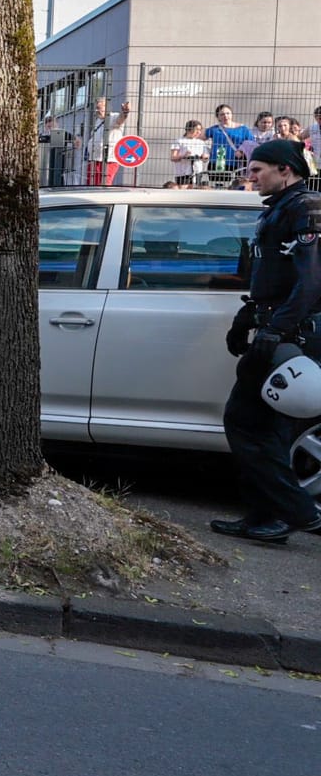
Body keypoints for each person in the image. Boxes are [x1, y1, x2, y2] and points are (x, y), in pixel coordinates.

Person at [214, 138, 321, 544]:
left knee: (245, 421)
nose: (250, 175)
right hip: (279, 330)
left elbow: (312, 282)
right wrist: (248, 316)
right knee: (265, 428)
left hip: (295, 336)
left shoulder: (306, 209)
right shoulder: (279, 209)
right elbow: (273, 277)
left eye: (258, 169)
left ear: (286, 171)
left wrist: (277, 328)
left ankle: (297, 512)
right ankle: (266, 517)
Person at [84, 98, 131, 185]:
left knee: (104, 184)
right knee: (91, 185)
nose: (97, 111)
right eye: (97, 108)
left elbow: (121, 119)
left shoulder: (113, 117)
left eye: (100, 108)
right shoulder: (98, 120)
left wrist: (125, 112)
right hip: (94, 159)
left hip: (108, 160)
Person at [206, 104, 251, 177]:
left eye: (228, 113)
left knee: (235, 186)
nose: (225, 116)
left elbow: (251, 143)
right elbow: (199, 137)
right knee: (217, 186)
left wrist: (242, 151)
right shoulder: (215, 129)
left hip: (237, 163)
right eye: (222, 114)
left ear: (231, 114)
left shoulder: (243, 129)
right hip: (218, 162)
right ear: (218, 117)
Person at [171, 120, 209, 188]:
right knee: (183, 190)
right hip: (183, 172)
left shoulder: (201, 142)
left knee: (195, 191)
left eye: (200, 130)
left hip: (197, 172)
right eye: (196, 129)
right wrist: (183, 156)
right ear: (189, 129)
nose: (199, 132)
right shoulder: (179, 141)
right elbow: (173, 157)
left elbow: (205, 158)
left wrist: (204, 157)